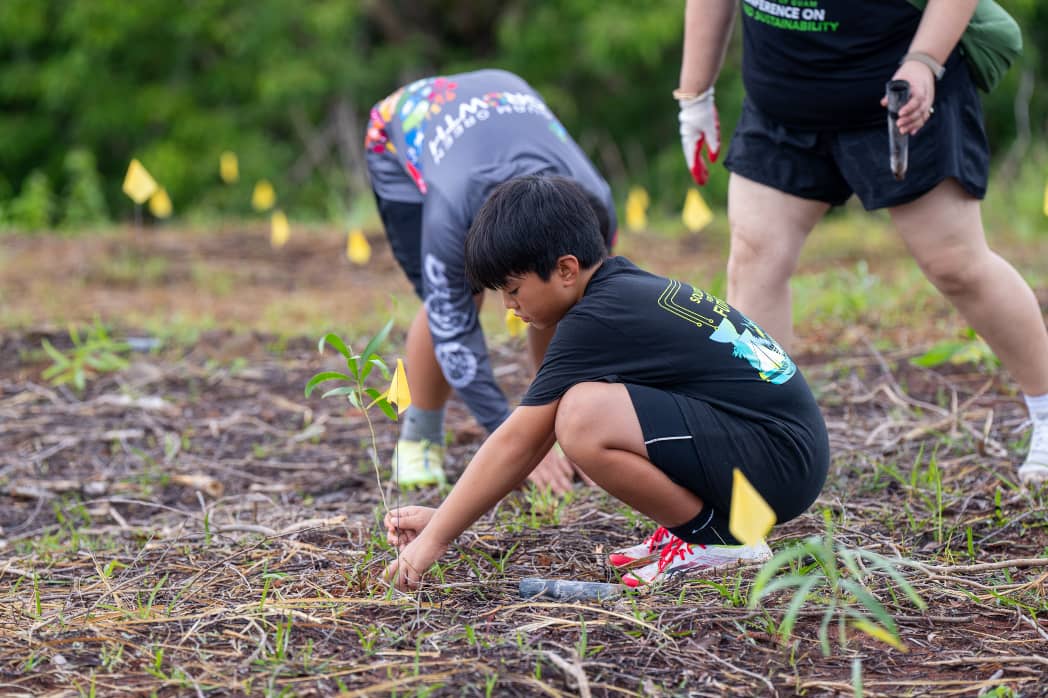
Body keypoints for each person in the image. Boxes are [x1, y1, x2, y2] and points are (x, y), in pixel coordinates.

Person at [381, 175, 829, 591]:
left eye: (514, 289)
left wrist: (436, 538)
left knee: (583, 417)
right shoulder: (621, 289)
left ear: (566, 270)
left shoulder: (597, 318)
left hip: (780, 463)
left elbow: (520, 441)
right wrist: (446, 517)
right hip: (784, 453)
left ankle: (718, 542)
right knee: (587, 408)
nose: (509, 307)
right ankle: (696, 529)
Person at [675, 0, 1048, 485]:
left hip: (900, 94)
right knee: (755, 255)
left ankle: (1045, 406)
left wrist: (925, 60)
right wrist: (694, 95)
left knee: (954, 262)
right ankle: (766, 438)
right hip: (782, 103)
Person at [364, 69, 618, 492]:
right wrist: (513, 441)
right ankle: (420, 435)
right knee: (456, 294)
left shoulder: (596, 203)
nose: (512, 307)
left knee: (565, 295)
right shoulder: (452, 216)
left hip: (501, 102)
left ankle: (558, 413)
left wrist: (578, 424)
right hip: (402, 130)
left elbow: (584, 299)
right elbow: (453, 329)